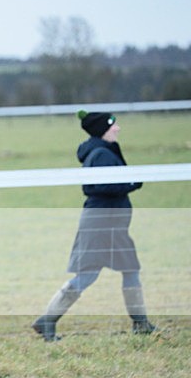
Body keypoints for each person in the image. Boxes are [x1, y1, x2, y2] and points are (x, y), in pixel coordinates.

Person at [32, 111, 156, 341]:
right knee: (87, 275)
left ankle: (140, 323)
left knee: (130, 269)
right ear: (102, 131)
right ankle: (46, 321)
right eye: (113, 126)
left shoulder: (103, 150)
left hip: (113, 225)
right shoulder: (100, 154)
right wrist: (132, 183)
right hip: (101, 223)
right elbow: (98, 187)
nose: (117, 129)